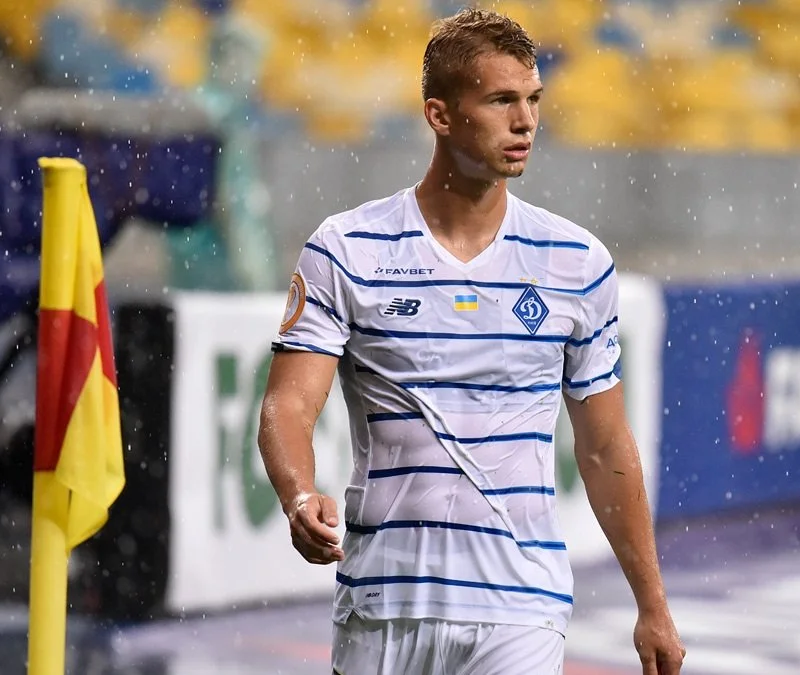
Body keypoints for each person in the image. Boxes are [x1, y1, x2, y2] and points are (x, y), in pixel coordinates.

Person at [257, 8, 684, 675]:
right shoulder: (347, 249)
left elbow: (605, 446)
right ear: (440, 115)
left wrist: (651, 602)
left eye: (533, 99)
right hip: (385, 599)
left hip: (521, 605)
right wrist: (298, 494)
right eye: (501, 100)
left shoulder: (576, 262)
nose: (525, 121)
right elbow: (287, 405)